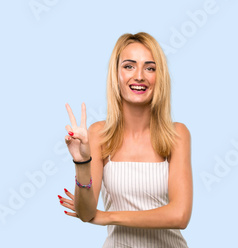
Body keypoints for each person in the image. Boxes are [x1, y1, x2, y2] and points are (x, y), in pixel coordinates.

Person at [57, 32, 192, 247]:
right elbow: (86, 213)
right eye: (129, 66)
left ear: (159, 76)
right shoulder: (99, 134)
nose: (139, 76)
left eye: (150, 68)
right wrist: (82, 162)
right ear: (116, 74)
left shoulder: (177, 135)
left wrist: (108, 216)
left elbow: (180, 215)